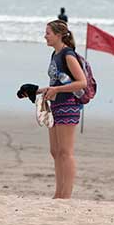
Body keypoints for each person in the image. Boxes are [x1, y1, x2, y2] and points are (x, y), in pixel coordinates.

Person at [36, 19, 87, 199]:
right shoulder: (54, 55)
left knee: (66, 151)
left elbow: (82, 82)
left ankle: (65, 195)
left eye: (48, 33)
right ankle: (58, 193)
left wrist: (56, 90)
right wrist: (35, 91)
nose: (45, 36)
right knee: (55, 151)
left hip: (69, 105)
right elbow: (56, 83)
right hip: (55, 105)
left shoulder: (68, 54)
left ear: (58, 35)